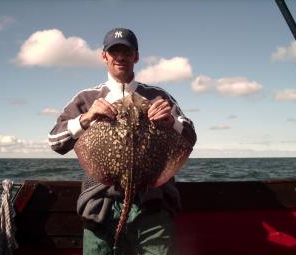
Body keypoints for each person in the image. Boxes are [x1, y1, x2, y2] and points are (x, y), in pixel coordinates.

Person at [48, 28, 197, 255]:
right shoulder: (87, 98)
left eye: (126, 51)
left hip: (152, 209)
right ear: (104, 56)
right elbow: (55, 141)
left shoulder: (158, 96)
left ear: (135, 56)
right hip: (100, 206)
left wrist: (170, 121)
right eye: (114, 51)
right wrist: (86, 119)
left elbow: (190, 137)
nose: (120, 56)